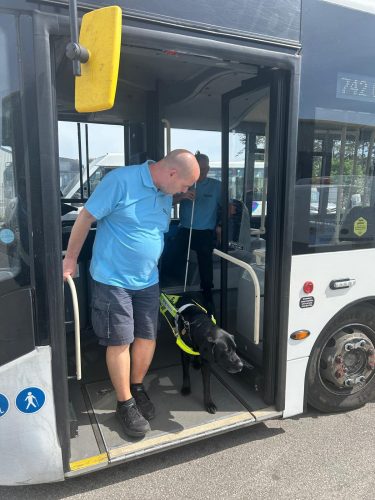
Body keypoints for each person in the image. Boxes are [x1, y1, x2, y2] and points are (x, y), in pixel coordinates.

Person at [63, 150, 200, 438]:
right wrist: (70, 260)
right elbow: (86, 217)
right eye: (186, 186)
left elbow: (149, 223)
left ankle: (136, 387)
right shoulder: (120, 181)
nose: (186, 192)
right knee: (120, 340)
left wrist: (176, 197)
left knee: (147, 336)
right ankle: (124, 403)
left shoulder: (164, 192)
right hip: (114, 280)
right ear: (172, 173)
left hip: (148, 280)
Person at [168, 152, 221, 313]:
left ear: (209, 168)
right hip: (185, 229)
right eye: (199, 168)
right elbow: (167, 202)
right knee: (171, 257)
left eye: (205, 168)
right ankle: (169, 291)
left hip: (205, 231)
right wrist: (183, 196)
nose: (202, 171)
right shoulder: (184, 183)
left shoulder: (217, 185)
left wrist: (220, 226)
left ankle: (208, 297)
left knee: (205, 264)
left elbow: (225, 207)